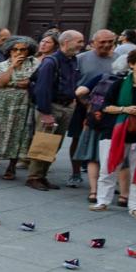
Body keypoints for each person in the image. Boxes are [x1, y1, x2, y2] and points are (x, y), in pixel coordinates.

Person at [89, 49, 136, 219]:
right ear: (132, 64)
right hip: (116, 130)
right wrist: (125, 109)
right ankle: (103, 201)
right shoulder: (119, 84)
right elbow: (106, 106)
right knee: (108, 166)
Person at [26, 30, 85, 191]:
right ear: (66, 42)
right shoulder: (51, 62)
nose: (82, 44)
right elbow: (42, 89)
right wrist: (45, 112)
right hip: (51, 107)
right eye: (78, 41)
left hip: (66, 106)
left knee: (55, 144)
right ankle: (34, 177)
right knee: (44, 142)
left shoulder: (72, 60)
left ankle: (42, 175)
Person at [0, 37, 38, 181]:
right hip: (0, 104)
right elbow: (0, 82)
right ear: (9, 51)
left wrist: (17, 83)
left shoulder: (34, 65)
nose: (18, 52)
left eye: (22, 49)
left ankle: (11, 167)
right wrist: (12, 68)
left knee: (17, 133)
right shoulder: (1, 65)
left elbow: (29, 83)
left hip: (21, 105)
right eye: (15, 49)